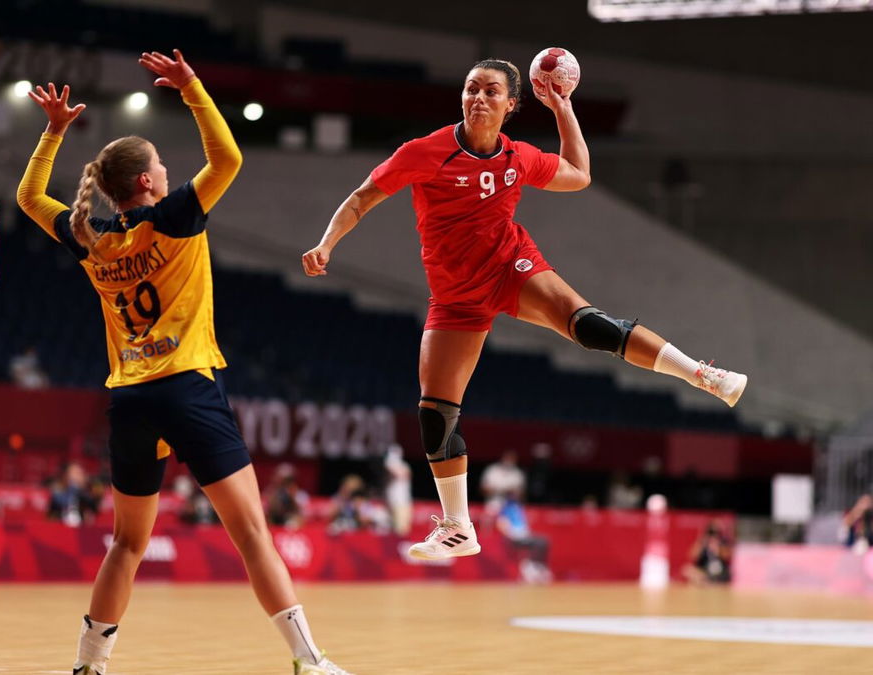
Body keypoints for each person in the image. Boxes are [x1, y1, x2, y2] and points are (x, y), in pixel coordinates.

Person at [302, 57, 749, 561]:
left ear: (511, 105)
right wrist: (326, 244)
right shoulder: (425, 152)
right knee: (435, 416)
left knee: (589, 326)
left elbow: (579, 173)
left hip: (510, 268)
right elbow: (362, 198)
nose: (478, 98)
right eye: (471, 89)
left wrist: (562, 108)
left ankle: (702, 374)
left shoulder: (519, 157)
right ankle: (458, 527)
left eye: (491, 92)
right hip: (454, 298)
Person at [17, 49, 350, 675]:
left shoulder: (91, 239)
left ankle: (89, 666)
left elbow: (30, 195)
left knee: (126, 543)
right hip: (187, 389)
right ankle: (309, 662)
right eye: (162, 166)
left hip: (131, 399)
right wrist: (195, 88)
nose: (168, 172)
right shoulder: (173, 219)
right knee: (252, 535)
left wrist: (54, 131)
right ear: (145, 182)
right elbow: (229, 159)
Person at [496, 490, 551, 584]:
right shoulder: (504, 510)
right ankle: (531, 566)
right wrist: (510, 535)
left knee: (543, 541)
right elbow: (501, 524)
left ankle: (537, 565)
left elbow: (524, 524)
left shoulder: (518, 509)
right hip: (515, 537)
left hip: (524, 535)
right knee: (539, 543)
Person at [681, 518, 732, 585]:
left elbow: (727, 556)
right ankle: (707, 582)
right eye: (711, 532)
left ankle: (708, 582)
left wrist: (718, 549)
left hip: (720, 571)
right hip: (706, 570)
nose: (714, 535)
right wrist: (702, 542)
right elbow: (692, 555)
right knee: (687, 570)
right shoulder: (703, 542)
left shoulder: (723, 542)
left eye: (716, 532)